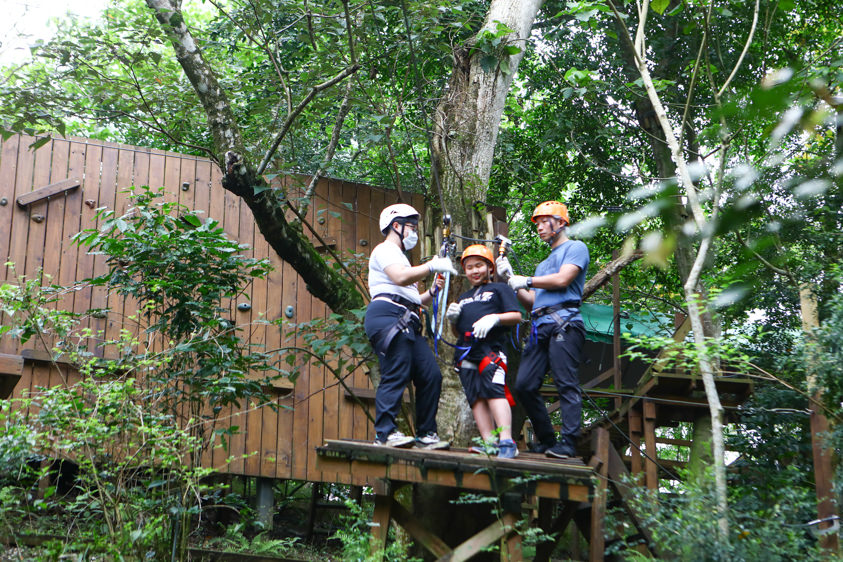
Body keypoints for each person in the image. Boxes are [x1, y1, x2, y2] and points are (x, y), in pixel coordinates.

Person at [497, 201, 589, 459]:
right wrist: (511, 279)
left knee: (566, 383)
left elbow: (563, 280)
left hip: (565, 325)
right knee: (525, 384)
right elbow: (532, 302)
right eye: (536, 224)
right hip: (540, 326)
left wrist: (525, 280)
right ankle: (548, 439)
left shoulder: (575, 248)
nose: (538, 228)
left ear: (560, 223)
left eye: (542, 222)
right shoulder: (542, 265)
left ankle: (569, 442)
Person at [364, 203, 458, 449]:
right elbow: (398, 278)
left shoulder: (402, 258)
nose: (414, 232)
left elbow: (415, 299)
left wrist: (432, 291)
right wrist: (431, 265)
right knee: (396, 371)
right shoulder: (384, 250)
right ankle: (384, 434)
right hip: (388, 315)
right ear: (396, 226)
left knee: (430, 375)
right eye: (411, 227)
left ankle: (426, 434)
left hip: (407, 318)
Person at [445, 245, 523, 458]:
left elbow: (516, 316)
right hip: (466, 351)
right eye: (469, 267)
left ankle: (506, 441)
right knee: (475, 397)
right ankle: (489, 443)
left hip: (491, 349)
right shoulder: (463, 297)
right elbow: (456, 331)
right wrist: (453, 319)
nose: (474, 271)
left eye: (479, 265)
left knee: (494, 391)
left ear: (490, 268)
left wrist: (495, 318)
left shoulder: (500, 289)